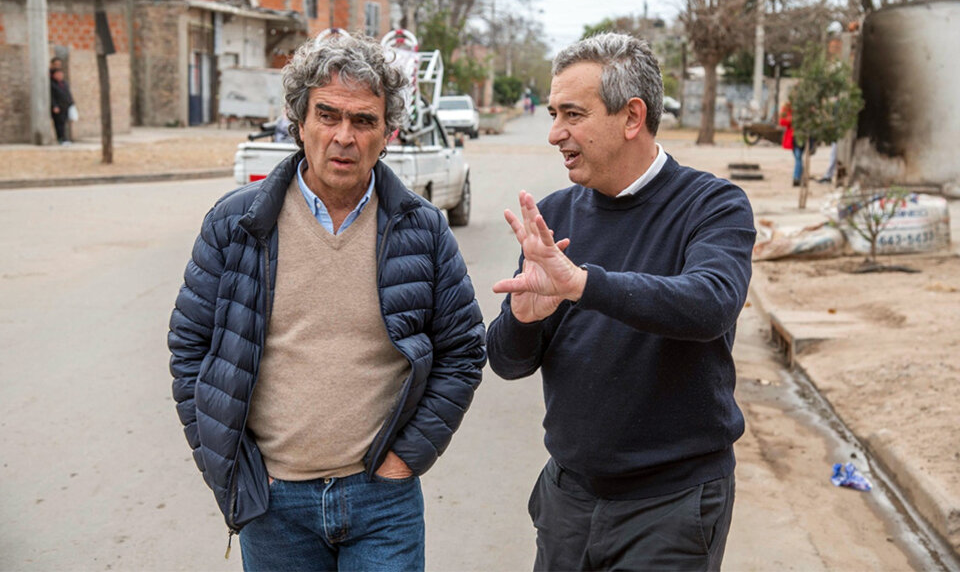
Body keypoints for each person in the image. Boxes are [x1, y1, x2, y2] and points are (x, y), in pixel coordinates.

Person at [168, 31, 485, 571]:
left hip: (383, 501)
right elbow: (190, 349)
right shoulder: (237, 224)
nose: (344, 136)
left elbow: (463, 352)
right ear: (299, 123)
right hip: (274, 503)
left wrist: (407, 458)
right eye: (328, 115)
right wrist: (232, 465)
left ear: (389, 133)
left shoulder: (423, 229)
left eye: (364, 121)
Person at [486, 32, 756, 571]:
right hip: (568, 499)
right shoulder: (555, 215)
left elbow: (710, 304)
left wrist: (583, 284)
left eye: (572, 114)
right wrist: (523, 319)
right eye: (553, 113)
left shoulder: (712, 205)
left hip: (671, 507)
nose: (555, 133)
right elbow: (506, 362)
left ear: (631, 117)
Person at [779, 101, 803, 186]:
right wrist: (791, 119)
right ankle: (799, 177)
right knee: (798, 157)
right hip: (794, 137)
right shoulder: (788, 107)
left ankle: (797, 177)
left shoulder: (804, 107)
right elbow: (782, 121)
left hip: (802, 136)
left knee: (798, 157)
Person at [50, 68, 73, 145]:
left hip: (65, 106)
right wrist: (54, 106)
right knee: (59, 124)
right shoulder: (52, 84)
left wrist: (71, 103)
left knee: (64, 123)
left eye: (61, 74)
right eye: (58, 74)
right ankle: (61, 139)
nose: (60, 75)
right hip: (58, 107)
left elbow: (68, 94)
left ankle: (65, 138)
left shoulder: (64, 83)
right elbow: (51, 96)